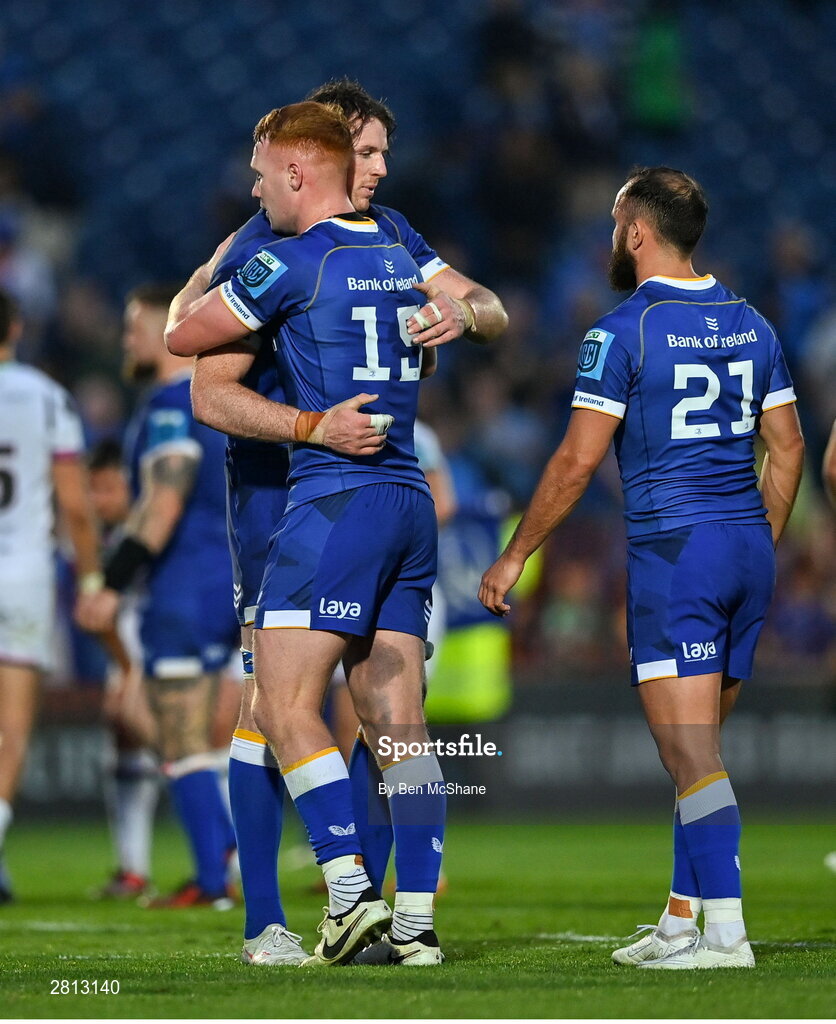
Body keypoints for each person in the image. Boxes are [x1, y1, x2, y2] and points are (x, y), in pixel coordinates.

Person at [190, 80, 508, 966]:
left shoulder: (393, 232)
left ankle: (378, 912)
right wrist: (304, 422)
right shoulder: (266, 238)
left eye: (380, 157)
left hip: (354, 491)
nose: (375, 172)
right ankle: (267, 921)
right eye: (363, 154)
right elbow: (196, 360)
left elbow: (489, 308)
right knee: (270, 710)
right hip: (277, 495)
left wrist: (463, 315)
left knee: (383, 715)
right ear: (320, 158)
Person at [480, 166, 805, 970]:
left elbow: (575, 462)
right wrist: (755, 538)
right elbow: (790, 449)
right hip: (745, 549)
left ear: (635, 232)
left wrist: (517, 552)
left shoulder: (622, 331)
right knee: (699, 748)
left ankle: (726, 935)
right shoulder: (753, 323)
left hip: (676, 553)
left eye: (614, 221)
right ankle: (680, 916)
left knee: (688, 752)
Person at [78, 284, 240, 909]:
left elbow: (164, 497)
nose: (128, 340)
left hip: (186, 586)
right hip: (237, 579)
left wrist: (111, 583)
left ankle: (212, 878)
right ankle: (224, 844)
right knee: (188, 727)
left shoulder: (172, 405)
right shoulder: (229, 399)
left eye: (134, 327)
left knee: (179, 736)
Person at [0, 287, 102, 902]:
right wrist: (91, 578)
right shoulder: (45, 397)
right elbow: (75, 506)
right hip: (24, 570)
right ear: (16, 327)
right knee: (12, 724)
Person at [86, 439, 159, 900]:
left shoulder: (152, 535)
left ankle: (223, 861)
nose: (99, 500)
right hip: (137, 646)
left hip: (169, 641)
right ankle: (134, 866)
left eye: (108, 488)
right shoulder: (105, 540)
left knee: (391, 735)